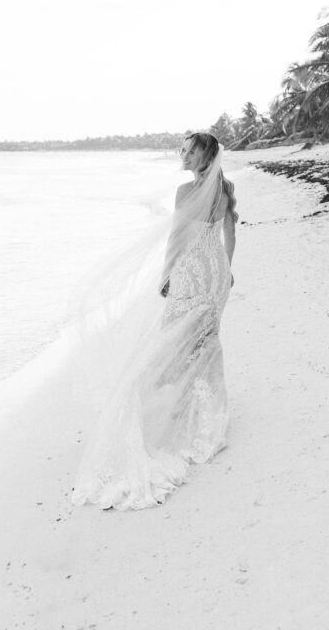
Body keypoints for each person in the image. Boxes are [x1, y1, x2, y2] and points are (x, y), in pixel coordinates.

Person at [71, 132, 238, 511]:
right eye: (183, 150)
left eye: (191, 151)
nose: (184, 155)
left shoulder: (184, 193)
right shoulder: (226, 190)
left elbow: (176, 239)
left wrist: (166, 275)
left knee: (172, 343)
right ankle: (208, 417)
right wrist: (227, 272)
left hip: (190, 273)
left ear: (205, 155)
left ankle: (179, 415)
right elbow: (230, 235)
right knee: (206, 342)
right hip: (215, 276)